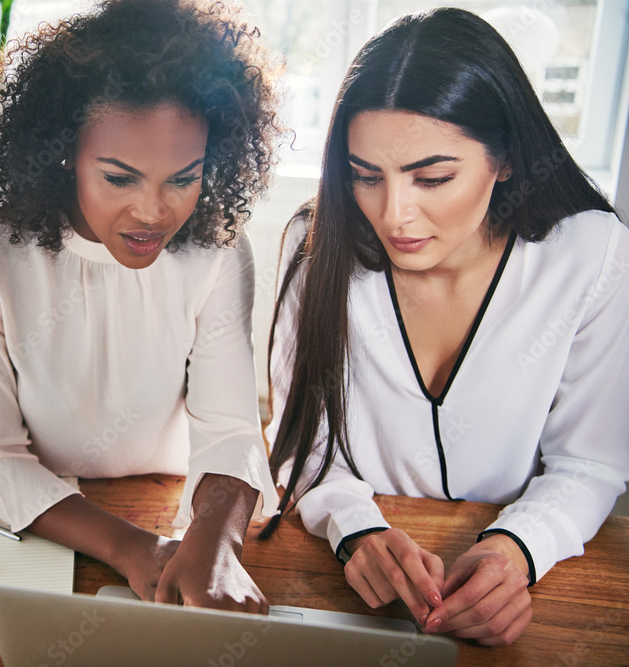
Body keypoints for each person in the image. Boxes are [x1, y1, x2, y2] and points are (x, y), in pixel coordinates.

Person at [263, 7, 628, 646]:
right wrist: (355, 529)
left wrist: (517, 550)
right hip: (354, 614)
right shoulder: (316, 245)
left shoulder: (590, 255)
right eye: (365, 176)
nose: (394, 214)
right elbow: (302, 442)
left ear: (507, 160)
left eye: (432, 177)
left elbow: (590, 463)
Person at [0, 0, 282, 612]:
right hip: (48, 521)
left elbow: (229, 429)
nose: (153, 211)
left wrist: (215, 543)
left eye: (183, 178)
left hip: (175, 500)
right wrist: (133, 549)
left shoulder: (219, 253)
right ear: (65, 152)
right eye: (120, 178)